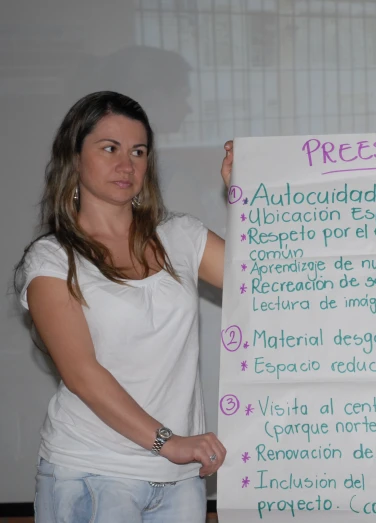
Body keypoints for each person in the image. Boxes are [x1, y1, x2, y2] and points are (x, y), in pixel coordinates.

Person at [15, 91, 236, 522]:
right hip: (91, 475)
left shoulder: (181, 236)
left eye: (138, 151)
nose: (127, 164)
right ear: (74, 157)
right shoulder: (51, 259)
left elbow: (267, 283)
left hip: (180, 478)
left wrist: (249, 194)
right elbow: (83, 374)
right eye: (109, 148)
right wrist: (168, 442)